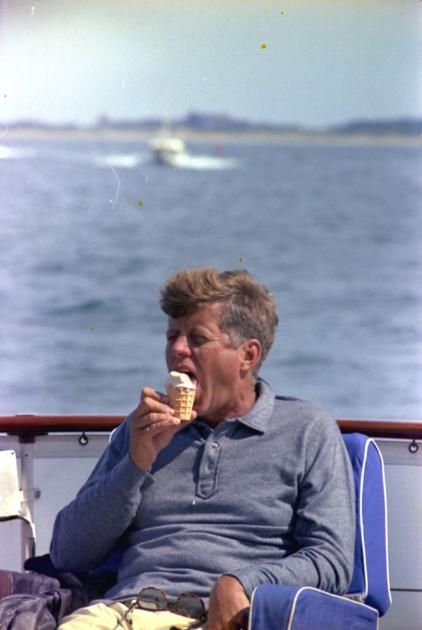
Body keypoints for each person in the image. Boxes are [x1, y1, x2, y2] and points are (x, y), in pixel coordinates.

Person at [50, 267, 355, 630]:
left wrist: (242, 583)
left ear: (248, 355)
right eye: (172, 336)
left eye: (197, 337)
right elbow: (68, 552)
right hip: (122, 612)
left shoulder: (307, 429)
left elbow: (332, 560)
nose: (178, 349)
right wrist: (136, 462)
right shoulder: (141, 431)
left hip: (225, 618)